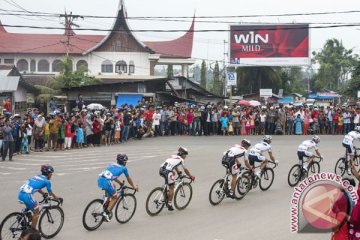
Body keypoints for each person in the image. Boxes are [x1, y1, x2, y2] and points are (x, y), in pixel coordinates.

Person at [18, 165, 62, 229]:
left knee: (30, 207)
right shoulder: (47, 181)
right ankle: (32, 232)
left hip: (21, 194)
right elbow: (50, 193)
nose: (51, 175)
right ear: (48, 173)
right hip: (27, 196)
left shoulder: (36, 176)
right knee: (36, 212)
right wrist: (56, 198)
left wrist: (43, 193)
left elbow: (37, 187)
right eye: (51, 173)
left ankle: (23, 217)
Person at [98, 154, 138, 222]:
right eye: (126, 161)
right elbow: (128, 179)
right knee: (115, 197)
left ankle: (106, 205)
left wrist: (120, 183)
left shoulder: (112, 164)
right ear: (123, 162)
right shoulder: (124, 168)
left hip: (100, 179)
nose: (126, 163)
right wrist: (134, 186)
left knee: (112, 189)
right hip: (107, 182)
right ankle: (106, 213)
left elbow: (113, 176)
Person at [159, 147, 195, 211]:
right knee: (171, 188)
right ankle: (169, 204)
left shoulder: (173, 156)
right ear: (183, 154)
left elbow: (173, 165)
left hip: (161, 169)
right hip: (167, 172)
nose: (185, 157)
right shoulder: (181, 160)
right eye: (185, 155)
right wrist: (190, 176)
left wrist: (178, 172)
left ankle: (165, 192)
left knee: (170, 178)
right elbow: (185, 170)